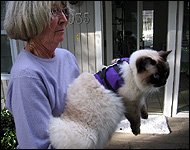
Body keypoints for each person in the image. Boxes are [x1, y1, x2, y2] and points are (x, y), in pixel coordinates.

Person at [4, 1, 80, 149]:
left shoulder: (67, 58)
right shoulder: (27, 76)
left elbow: (81, 106)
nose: (63, 19)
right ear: (31, 19)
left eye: (63, 10)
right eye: (53, 11)